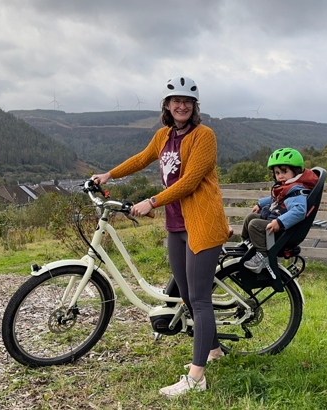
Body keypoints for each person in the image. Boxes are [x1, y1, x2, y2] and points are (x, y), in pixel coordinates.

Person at [92, 76, 229, 398]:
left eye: (187, 101)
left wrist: (151, 200)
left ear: (194, 107)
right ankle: (215, 350)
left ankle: (197, 378)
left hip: (203, 224)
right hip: (176, 224)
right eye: (175, 100)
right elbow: (141, 158)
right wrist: (109, 174)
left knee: (199, 298)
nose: (181, 105)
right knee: (184, 292)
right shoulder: (163, 136)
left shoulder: (204, 136)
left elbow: (191, 181)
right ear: (167, 106)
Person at [241, 148, 319, 273]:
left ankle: (262, 256)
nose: (280, 175)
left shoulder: (296, 190)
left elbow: (299, 210)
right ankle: (248, 243)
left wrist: (280, 222)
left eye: (284, 171)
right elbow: (276, 199)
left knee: (255, 225)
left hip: (281, 230)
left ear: (296, 171)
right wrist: (261, 204)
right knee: (251, 217)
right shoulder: (288, 188)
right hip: (275, 222)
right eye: (277, 173)